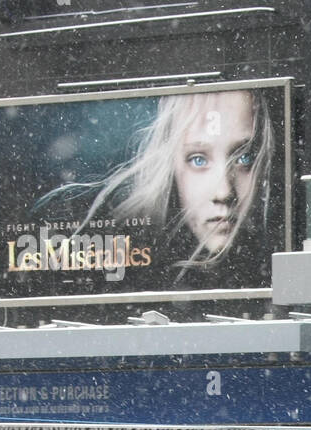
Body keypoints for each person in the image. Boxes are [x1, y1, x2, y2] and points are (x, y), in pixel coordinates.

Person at [33, 88, 274, 286]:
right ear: (169, 162)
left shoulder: (267, 262)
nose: (224, 192)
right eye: (198, 160)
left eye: (244, 158)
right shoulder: (112, 242)